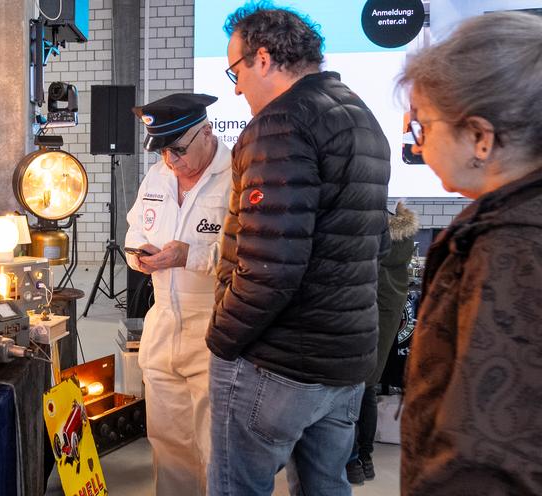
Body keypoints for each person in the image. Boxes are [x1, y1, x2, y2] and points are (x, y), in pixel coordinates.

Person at [207, 6, 390, 495]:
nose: (237, 89)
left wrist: (222, 339)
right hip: (345, 360)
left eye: (236, 71)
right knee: (325, 487)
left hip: (278, 362)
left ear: (263, 58)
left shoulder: (280, 124)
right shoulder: (361, 117)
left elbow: (269, 268)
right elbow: (375, 242)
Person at [397, 12, 542, 495]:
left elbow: (488, 454)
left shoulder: (509, 247)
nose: (419, 145)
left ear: (480, 138)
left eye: (423, 125)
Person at [125, 93, 232, 495]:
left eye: (179, 150)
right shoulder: (158, 176)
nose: (172, 160)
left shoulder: (238, 176)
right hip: (162, 324)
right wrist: (139, 256)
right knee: (169, 444)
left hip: (215, 327)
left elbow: (250, 256)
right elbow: (135, 230)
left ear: (207, 132)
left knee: (216, 447)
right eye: (163, 151)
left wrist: (190, 256)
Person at [346, 201, 418, 485]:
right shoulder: (403, 237)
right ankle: (365, 459)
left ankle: (352, 460)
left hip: (358, 320)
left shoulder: (364, 231)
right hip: (386, 320)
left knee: (351, 392)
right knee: (368, 388)